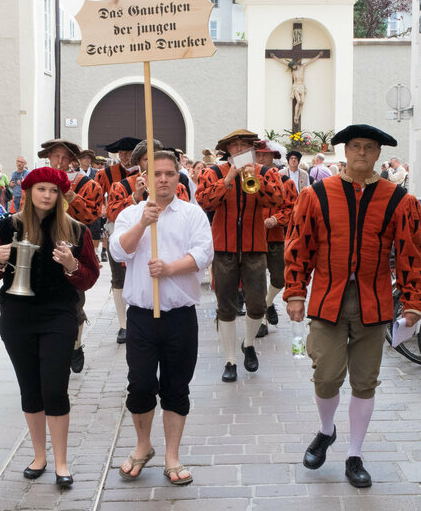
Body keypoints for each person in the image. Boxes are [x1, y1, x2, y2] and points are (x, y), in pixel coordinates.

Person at [284, 124, 421, 488]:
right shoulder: (317, 194)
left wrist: (413, 302)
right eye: (355, 147)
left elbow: (412, 254)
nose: (362, 153)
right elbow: (300, 245)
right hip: (327, 300)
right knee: (326, 376)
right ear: (344, 152)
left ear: (378, 154)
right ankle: (326, 430)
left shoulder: (399, 200)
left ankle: (355, 454)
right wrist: (296, 291)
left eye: (369, 147)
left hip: (374, 301)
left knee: (365, 383)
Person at [0, 167, 99, 487]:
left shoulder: (75, 230)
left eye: (53, 190)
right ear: (28, 192)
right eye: (41, 189)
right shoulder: (5, 227)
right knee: (30, 388)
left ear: (60, 196)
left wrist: (71, 265)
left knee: (55, 388)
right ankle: (39, 456)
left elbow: (91, 275)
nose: (47, 196)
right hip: (17, 317)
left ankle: (61, 462)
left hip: (58, 314)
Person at [111, 151, 213, 485]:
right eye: (157, 174)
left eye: (170, 173)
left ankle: (172, 455)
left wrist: (169, 269)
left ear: (178, 176)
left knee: (176, 386)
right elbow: (118, 251)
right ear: (146, 177)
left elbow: (202, 253)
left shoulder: (193, 214)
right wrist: (144, 223)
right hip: (141, 316)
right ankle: (143, 446)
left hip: (180, 317)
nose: (164, 179)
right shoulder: (130, 214)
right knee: (140, 385)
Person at [195, 129, 284, 382]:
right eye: (235, 146)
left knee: (256, 304)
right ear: (227, 150)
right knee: (226, 306)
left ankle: (249, 344)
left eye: (245, 145)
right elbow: (204, 201)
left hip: (255, 247)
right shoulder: (212, 172)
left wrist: (256, 177)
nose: (241, 150)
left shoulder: (267, 172)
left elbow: (277, 199)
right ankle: (230, 360)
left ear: (253, 149)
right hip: (223, 248)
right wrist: (228, 178)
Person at [38, 138, 102, 375]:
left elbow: (92, 215)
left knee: (75, 301)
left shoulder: (86, 184)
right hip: (40, 250)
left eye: (65, 157)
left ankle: (75, 346)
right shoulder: (35, 182)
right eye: (56, 156)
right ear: (48, 157)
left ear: (72, 161)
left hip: (71, 251)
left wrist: (71, 196)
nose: (60, 161)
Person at [95, 136, 142, 344]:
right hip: (117, 227)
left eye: (129, 152)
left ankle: (140, 319)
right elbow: (97, 198)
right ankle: (123, 324)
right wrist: (103, 208)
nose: (125, 157)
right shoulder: (105, 173)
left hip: (144, 227)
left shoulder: (148, 173)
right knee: (118, 276)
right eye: (122, 153)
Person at [252, 141, 297, 338]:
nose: (261, 158)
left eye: (265, 155)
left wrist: (276, 219)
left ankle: (268, 304)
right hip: (253, 238)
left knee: (280, 278)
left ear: (273, 157)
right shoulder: (248, 179)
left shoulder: (286, 182)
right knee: (257, 281)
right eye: (258, 155)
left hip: (277, 237)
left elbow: (292, 209)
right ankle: (262, 319)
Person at [270, 51, 323, 125]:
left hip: (302, 87)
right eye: (292, 67)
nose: (293, 68)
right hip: (295, 87)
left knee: (302, 102)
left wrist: (318, 55)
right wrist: (274, 57)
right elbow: (282, 62)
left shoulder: (302, 67)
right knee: (298, 100)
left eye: (293, 66)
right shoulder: (292, 70)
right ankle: (295, 117)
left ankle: (298, 116)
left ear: (295, 64)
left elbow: (311, 61)